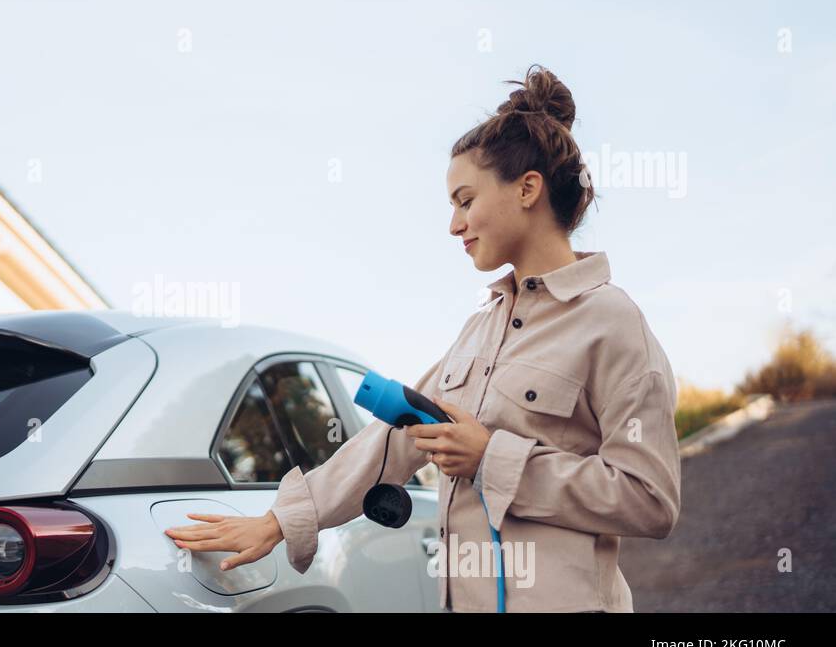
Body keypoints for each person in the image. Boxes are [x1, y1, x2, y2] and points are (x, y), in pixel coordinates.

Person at [162, 64, 681, 612]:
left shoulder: (610, 321)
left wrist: (493, 458)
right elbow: (394, 439)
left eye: (464, 200)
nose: (454, 225)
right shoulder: (480, 329)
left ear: (528, 189)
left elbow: (649, 499)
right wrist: (278, 521)